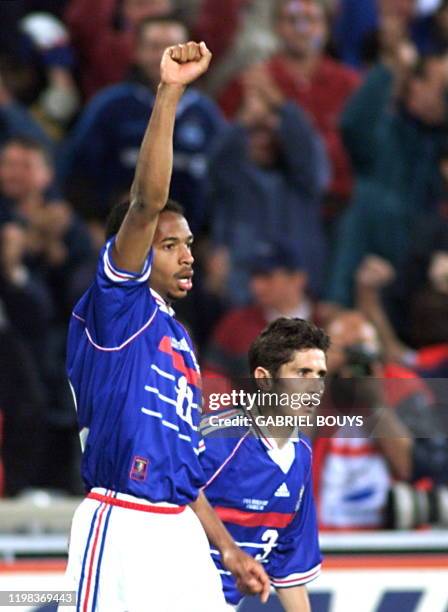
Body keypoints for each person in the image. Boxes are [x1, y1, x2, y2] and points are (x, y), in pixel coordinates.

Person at [63, 41, 269, 611]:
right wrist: (171, 93)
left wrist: (227, 548)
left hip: (180, 530)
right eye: (170, 244)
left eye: (190, 244)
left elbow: (182, 467)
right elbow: (146, 202)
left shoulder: (177, 337)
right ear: (132, 249)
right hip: (122, 520)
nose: (187, 256)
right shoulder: (118, 305)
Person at [200, 318, 328, 610]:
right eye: (302, 373)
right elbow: (166, 493)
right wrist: (228, 549)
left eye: (320, 374)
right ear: (264, 378)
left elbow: (290, 567)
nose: (314, 386)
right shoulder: (218, 440)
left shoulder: (302, 456)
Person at [63, 14, 224, 229]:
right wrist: (92, 222)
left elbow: (226, 181)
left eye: (173, 48)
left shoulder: (205, 113)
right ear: (137, 52)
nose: (164, 56)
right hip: (121, 233)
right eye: (154, 47)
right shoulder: (110, 105)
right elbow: (78, 172)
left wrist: (213, 238)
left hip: (192, 239)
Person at [203, 241, 320, 381]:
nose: (256, 286)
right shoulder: (234, 325)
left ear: (296, 279)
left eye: (267, 276)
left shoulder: (327, 323)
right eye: (254, 276)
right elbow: (211, 382)